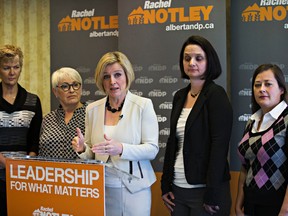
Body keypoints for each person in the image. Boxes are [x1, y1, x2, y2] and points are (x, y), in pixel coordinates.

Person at [71, 51, 159, 216]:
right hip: (102, 188)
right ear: (101, 81)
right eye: (106, 77)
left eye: (117, 75)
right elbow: (92, 153)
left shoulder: (143, 105)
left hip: (135, 189)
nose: (112, 82)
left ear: (127, 75)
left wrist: (121, 148)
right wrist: (83, 149)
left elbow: (152, 149)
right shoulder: (92, 109)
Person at [161, 35, 233, 216]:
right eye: (187, 58)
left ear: (209, 61)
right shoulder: (179, 96)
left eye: (198, 58)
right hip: (177, 190)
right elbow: (172, 143)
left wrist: (213, 192)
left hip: (205, 191)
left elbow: (219, 146)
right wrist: (165, 183)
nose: (192, 62)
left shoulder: (216, 95)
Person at [235, 64, 288, 216]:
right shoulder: (252, 121)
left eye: (268, 84)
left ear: (281, 89)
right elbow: (246, 167)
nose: (261, 89)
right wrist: (239, 204)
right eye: (257, 85)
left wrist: (285, 211)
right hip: (251, 205)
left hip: (277, 207)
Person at [0, 44, 43, 215]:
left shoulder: (33, 101)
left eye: (16, 67)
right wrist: (6, 164)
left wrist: (25, 165)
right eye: (6, 68)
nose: (12, 73)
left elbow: (35, 140)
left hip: (24, 178)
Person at [38, 67, 87, 159]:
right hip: (50, 172)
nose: (72, 90)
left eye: (75, 85)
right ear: (55, 91)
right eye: (65, 86)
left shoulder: (92, 114)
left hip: (81, 172)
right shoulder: (48, 119)